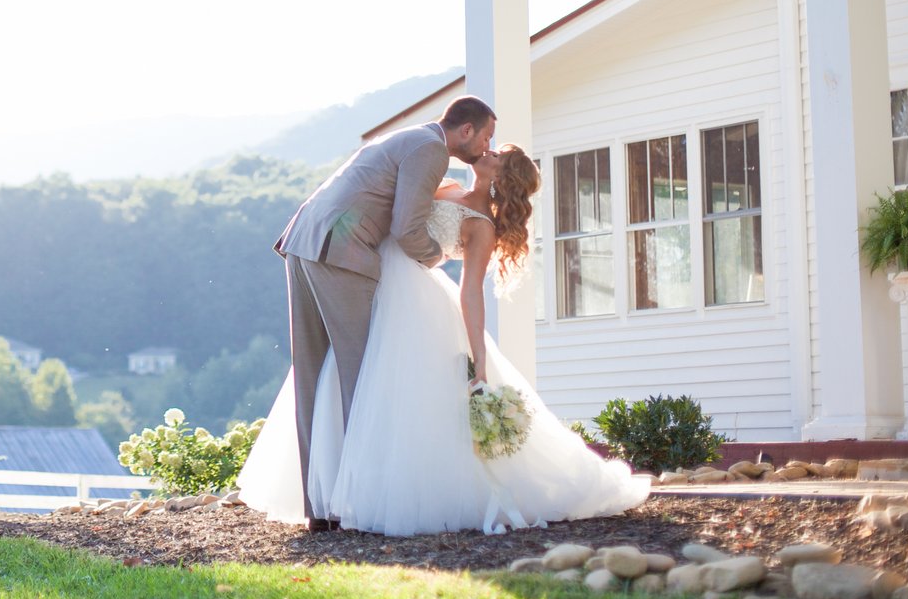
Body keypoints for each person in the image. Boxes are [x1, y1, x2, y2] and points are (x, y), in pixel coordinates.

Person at [239, 144, 650, 536]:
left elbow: (471, 292)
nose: (486, 152)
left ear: (502, 175)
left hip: (411, 298)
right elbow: (397, 206)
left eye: (496, 155)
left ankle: (372, 494)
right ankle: (330, 492)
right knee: (342, 377)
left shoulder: (480, 226)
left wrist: (479, 357)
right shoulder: (446, 186)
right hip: (370, 275)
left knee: (382, 389)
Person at [270, 96, 497, 527]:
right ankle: (359, 501)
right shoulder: (430, 150)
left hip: (305, 239)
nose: (487, 146)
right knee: (362, 377)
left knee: (313, 375)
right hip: (341, 251)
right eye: (486, 136)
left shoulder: (409, 137)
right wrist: (435, 257)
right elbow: (406, 228)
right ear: (465, 130)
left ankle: (317, 507)